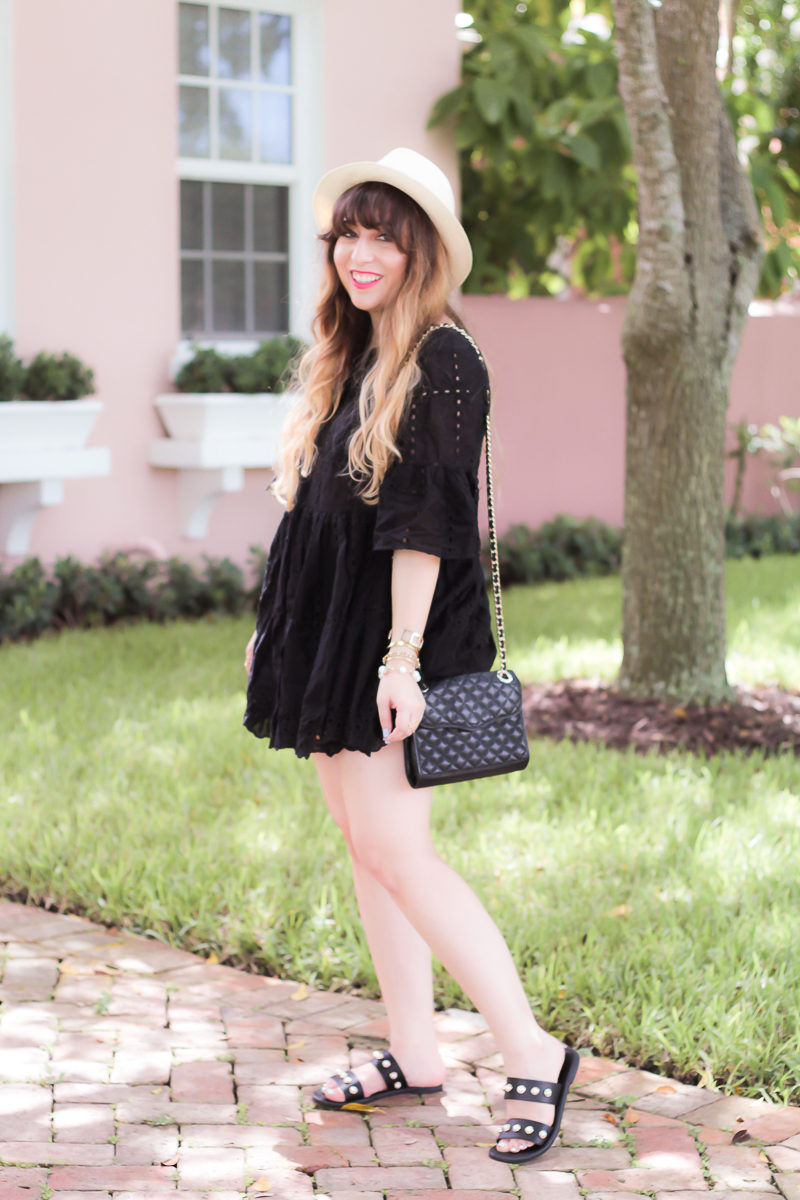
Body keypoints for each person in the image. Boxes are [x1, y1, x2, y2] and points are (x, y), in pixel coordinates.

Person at [243, 147, 577, 1164]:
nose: (360, 251)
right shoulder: (352, 357)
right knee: (365, 847)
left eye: (383, 234)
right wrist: (276, 629)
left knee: (400, 850)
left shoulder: (444, 358)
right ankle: (414, 1051)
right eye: (348, 232)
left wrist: (398, 660)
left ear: (421, 248)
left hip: (399, 643)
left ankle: (530, 1050)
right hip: (327, 639)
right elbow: (320, 522)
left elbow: (427, 525)